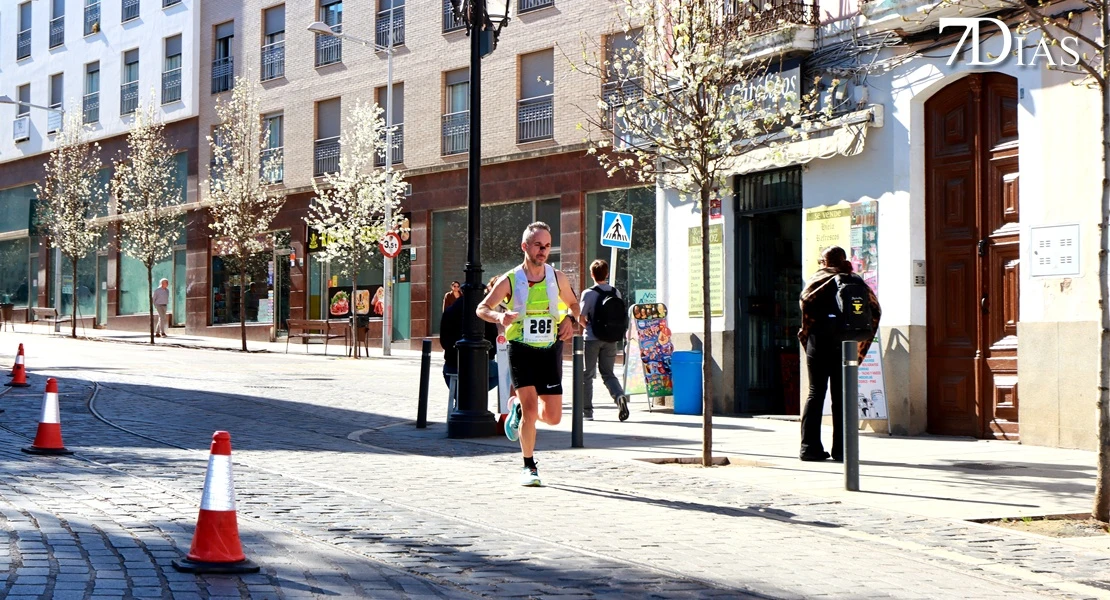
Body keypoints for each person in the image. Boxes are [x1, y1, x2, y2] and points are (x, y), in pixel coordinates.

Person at [478, 222, 580, 487]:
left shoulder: (557, 277)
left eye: (547, 246)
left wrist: (571, 318)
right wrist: (500, 314)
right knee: (532, 408)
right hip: (521, 349)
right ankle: (529, 466)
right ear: (525, 246)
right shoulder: (510, 279)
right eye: (538, 245)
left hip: (550, 349)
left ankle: (516, 408)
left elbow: (573, 303)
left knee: (554, 417)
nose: (543, 251)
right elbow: (482, 308)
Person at [797, 246, 881, 462]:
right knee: (841, 395)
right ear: (843, 260)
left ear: (824, 261)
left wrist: (807, 333)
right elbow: (875, 309)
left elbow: (805, 304)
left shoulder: (817, 280)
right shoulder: (855, 280)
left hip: (819, 341)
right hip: (846, 343)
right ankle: (842, 449)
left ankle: (809, 448)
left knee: (815, 393)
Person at [579, 259, 630, 421]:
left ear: (592, 274)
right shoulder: (616, 293)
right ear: (606, 274)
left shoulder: (588, 293)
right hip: (611, 339)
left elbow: (580, 317)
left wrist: (587, 325)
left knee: (587, 374)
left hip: (592, 339)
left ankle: (587, 412)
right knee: (608, 373)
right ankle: (619, 396)